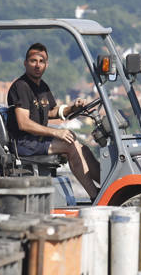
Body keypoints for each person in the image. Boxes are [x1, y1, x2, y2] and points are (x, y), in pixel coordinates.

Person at [7, 42, 100, 198]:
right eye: (33, 61)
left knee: (83, 148)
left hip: (38, 140)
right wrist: (57, 133)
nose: (37, 65)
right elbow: (23, 123)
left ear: (46, 65)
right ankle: (95, 196)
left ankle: (107, 186)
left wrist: (73, 107)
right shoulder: (21, 86)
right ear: (25, 63)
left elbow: (50, 111)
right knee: (70, 145)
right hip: (24, 143)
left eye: (41, 61)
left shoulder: (42, 86)